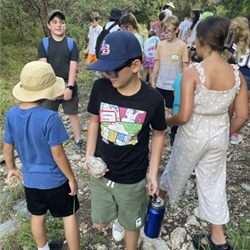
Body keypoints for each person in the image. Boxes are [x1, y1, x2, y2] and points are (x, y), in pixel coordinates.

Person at [159, 16, 249, 250]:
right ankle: (218, 240)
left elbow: (184, 115)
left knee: (175, 169)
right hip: (219, 133)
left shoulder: (195, 72)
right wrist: (226, 132)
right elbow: (242, 114)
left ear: (202, 42)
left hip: (192, 133)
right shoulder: (236, 74)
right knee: (214, 183)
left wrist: (166, 121)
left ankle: (155, 209)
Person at [84, 30, 166, 250]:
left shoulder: (153, 99)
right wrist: (89, 156)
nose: (107, 76)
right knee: (98, 222)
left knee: (132, 226)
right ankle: (119, 216)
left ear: (135, 66)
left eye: (112, 70)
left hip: (133, 176)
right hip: (101, 172)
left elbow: (158, 134)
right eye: (103, 70)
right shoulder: (101, 88)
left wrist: (153, 172)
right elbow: (94, 121)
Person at [3, 61, 80, 250]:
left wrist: (12, 168)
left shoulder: (11, 114)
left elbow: (7, 146)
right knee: (69, 215)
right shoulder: (50, 118)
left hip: (31, 181)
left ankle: (43, 249)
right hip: (55, 181)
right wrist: (71, 178)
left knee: (37, 216)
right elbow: (58, 155)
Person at [38, 10, 86, 153]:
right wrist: (49, 89)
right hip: (50, 85)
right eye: (55, 22)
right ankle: (45, 142)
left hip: (68, 84)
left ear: (65, 25)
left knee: (73, 114)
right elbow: (44, 67)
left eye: (61, 22)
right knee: (46, 115)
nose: (58, 25)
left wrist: (69, 87)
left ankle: (78, 140)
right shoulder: (44, 44)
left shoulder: (72, 44)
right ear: (49, 25)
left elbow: (73, 66)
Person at [152, 15, 189, 116]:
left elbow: (185, 66)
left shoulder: (182, 46)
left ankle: (173, 129)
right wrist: (152, 80)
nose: (166, 34)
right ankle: (158, 128)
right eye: (164, 31)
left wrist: (184, 84)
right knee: (156, 107)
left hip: (173, 86)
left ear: (177, 30)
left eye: (169, 31)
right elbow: (157, 63)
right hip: (160, 83)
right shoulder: (160, 45)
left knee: (171, 109)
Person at [227, 16, 250, 144]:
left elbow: (230, 56)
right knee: (242, 106)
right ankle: (234, 133)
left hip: (236, 73)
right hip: (249, 76)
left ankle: (225, 129)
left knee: (231, 104)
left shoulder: (238, 40)